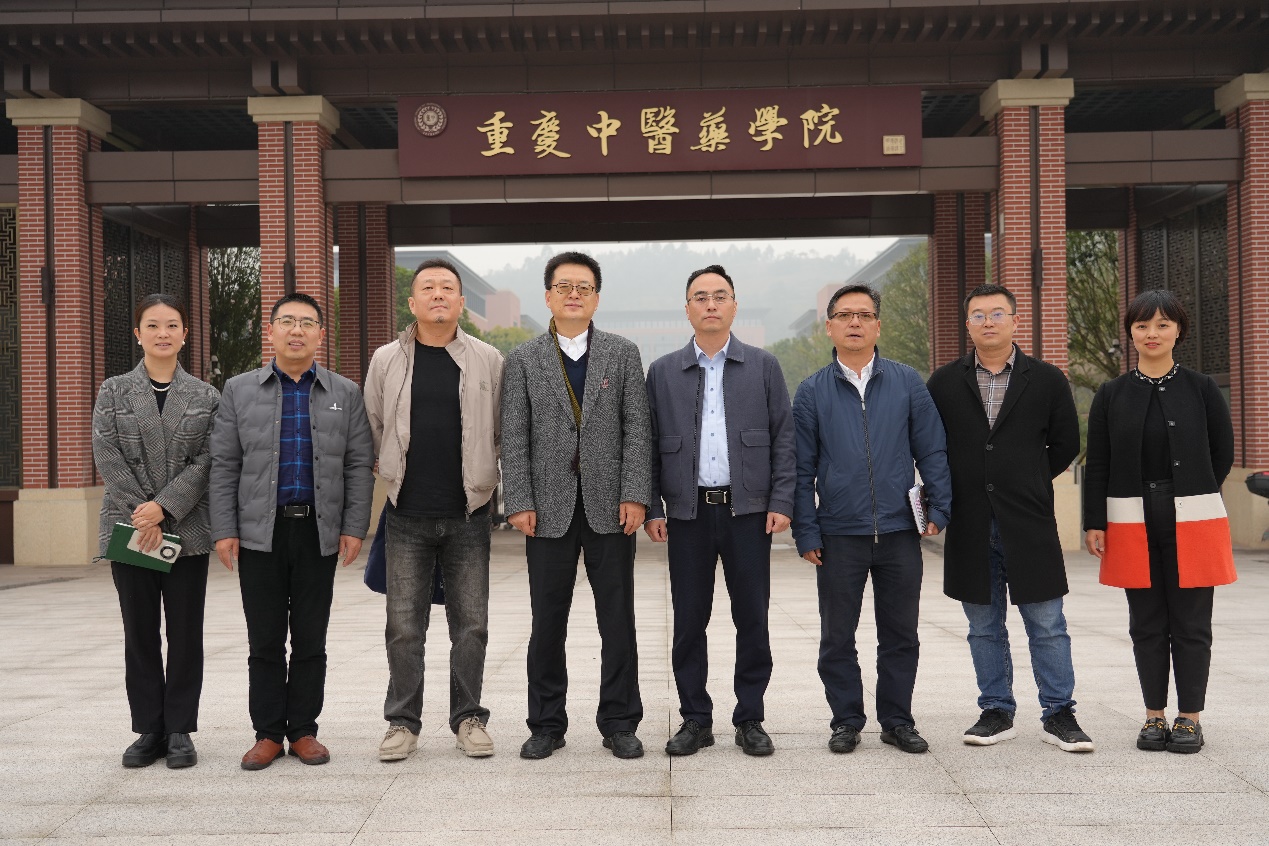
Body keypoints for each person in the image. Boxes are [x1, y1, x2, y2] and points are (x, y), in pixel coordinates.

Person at [210, 292, 374, 771]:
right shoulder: (239, 390)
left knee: (310, 637)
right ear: (271, 331)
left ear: (321, 333)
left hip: (318, 531)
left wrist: (354, 527)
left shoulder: (345, 392)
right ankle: (267, 733)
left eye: (306, 322)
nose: (296, 330)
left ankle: (302, 730)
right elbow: (225, 464)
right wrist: (225, 529)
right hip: (260, 532)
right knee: (263, 640)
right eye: (286, 321)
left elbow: (358, 464)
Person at [926, 284, 1091, 752]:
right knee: (983, 625)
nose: (988, 322)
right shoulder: (943, 382)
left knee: (1047, 622)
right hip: (970, 520)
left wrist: (1028, 478)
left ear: (1015, 321)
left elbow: (1065, 443)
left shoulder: (1047, 379)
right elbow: (931, 445)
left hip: (1028, 518)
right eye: (978, 315)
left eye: (997, 313)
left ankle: (1059, 713)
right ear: (968, 325)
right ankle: (996, 710)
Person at [500, 251, 652, 760]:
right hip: (547, 508)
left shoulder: (622, 353)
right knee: (547, 621)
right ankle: (546, 724)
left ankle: (620, 722)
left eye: (583, 287)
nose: (573, 294)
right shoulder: (524, 359)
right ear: (548, 296)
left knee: (618, 619)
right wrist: (519, 499)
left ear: (596, 298)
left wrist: (635, 494)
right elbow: (514, 435)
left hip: (611, 506)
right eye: (563, 286)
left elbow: (638, 428)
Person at [792, 283, 951, 755]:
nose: (855, 323)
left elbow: (932, 449)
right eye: (845, 315)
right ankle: (846, 721)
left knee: (901, 634)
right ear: (829, 327)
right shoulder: (812, 391)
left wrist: (940, 507)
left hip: (900, 531)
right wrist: (806, 528)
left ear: (878, 325)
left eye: (864, 315)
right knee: (836, 636)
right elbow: (799, 469)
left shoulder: (907, 382)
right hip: (838, 533)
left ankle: (898, 721)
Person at [644, 265, 795, 757]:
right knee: (689, 620)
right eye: (700, 297)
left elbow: (784, 439)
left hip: (747, 513)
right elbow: (646, 444)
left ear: (734, 305)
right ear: (687, 308)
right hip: (687, 514)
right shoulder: (663, 371)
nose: (710, 304)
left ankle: (750, 718)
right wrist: (653, 507)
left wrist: (781, 501)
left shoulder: (763, 366)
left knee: (752, 618)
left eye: (720, 296)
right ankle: (695, 718)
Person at [363, 258, 505, 761]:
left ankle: (469, 718)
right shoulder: (386, 360)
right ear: (412, 301)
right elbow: (373, 424)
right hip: (406, 514)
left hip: (469, 512)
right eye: (428, 288)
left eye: (447, 287)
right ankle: (402, 722)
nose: (438, 294)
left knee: (471, 625)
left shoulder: (488, 359)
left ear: (462, 302)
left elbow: (501, 429)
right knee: (404, 627)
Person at [1083, 289, 1235, 754]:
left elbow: (1222, 453)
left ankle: (1189, 719)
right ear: (1131, 332)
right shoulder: (1110, 394)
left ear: (1178, 331)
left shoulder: (1202, 389)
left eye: (1163, 324)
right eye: (1142, 325)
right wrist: (1095, 521)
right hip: (1131, 518)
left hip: (1193, 516)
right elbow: (1099, 463)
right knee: (1146, 622)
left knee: (1191, 622)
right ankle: (1153, 715)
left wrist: (1193, 492)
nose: (1152, 333)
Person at [93, 293, 220, 769]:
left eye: (171, 325)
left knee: (186, 633)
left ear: (185, 333)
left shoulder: (206, 396)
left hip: (186, 530)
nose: (162, 333)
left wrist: (164, 508)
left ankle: (180, 727)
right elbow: (106, 453)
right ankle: (149, 727)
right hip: (130, 528)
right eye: (152, 325)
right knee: (139, 631)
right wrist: (142, 513)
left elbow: (209, 460)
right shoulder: (113, 391)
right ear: (138, 333)